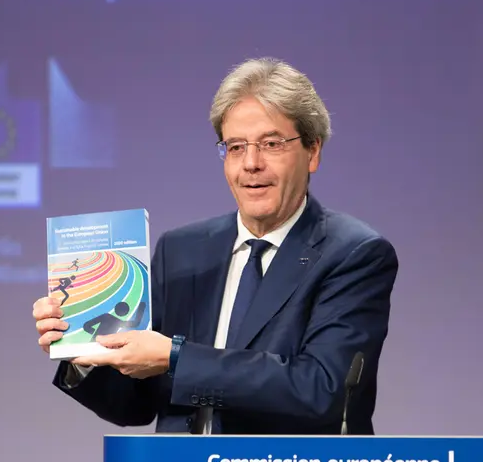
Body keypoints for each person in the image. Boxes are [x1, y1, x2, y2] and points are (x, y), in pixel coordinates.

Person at [33, 57, 399, 435]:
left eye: (271, 144)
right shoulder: (182, 250)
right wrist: (84, 351)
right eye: (236, 147)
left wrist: (176, 357)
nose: (251, 164)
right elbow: (135, 404)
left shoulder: (353, 253)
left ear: (313, 151)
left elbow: (321, 389)